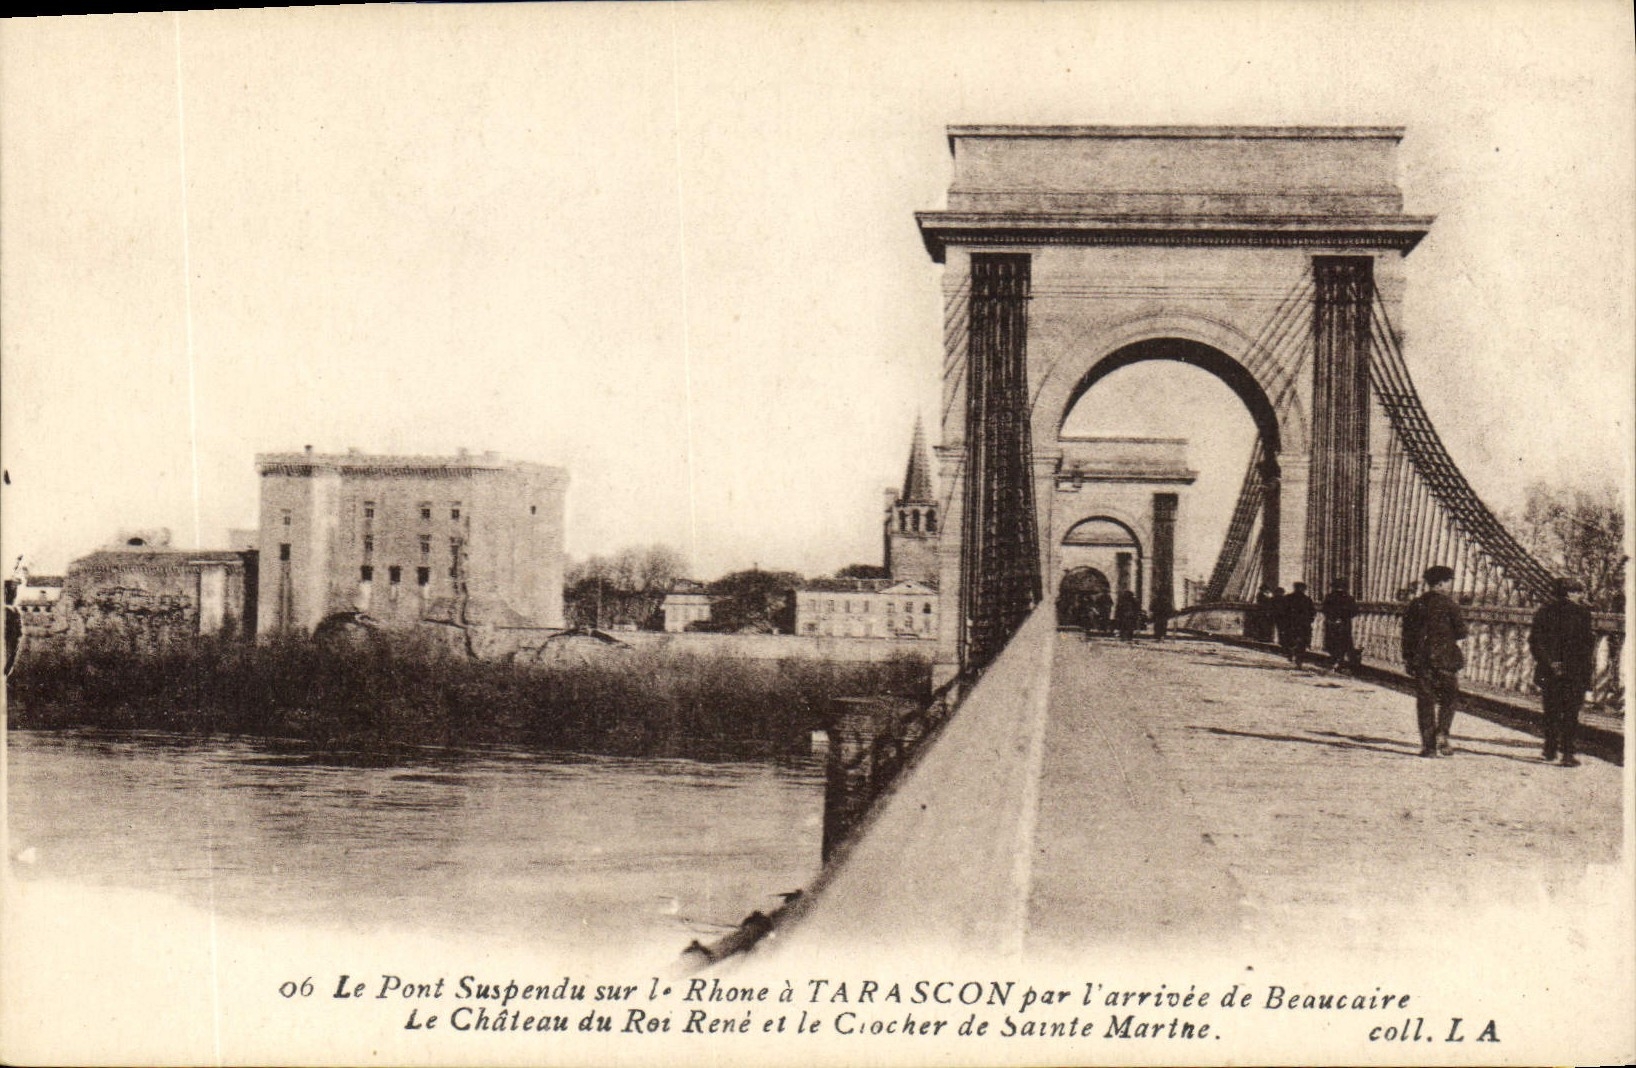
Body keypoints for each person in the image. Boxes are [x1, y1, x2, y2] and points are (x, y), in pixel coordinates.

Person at [1529, 577, 1595, 767]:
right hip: (1574, 670)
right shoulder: (1583, 613)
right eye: (1578, 592)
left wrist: (1549, 663)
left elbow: (1535, 642)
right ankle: (1567, 753)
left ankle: (1549, 748)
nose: (1581, 596)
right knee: (1571, 712)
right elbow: (1586, 646)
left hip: (1550, 669)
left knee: (1551, 710)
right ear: (1570, 593)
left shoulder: (1543, 611)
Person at [1401, 565, 1467, 758]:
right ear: (1440, 583)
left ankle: (1429, 748)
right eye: (1448, 582)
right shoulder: (1450, 605)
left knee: (1425, 702)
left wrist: (1408, 659)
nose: (1449, 586)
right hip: (1446, 659)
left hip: (1422, 660)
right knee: (1450, 699)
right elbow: (1462, 632)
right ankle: (1442, 732)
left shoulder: (1416, 604)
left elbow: (1407, 635)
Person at [1321, 578, 1362, 674]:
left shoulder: (1329, 597)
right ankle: (1340, 661)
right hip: (1344, 623)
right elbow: (1355, 611)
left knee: (1333, 642)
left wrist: (1333, 618)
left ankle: (1338, 661)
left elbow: (1325, 609)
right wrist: (1344, 617)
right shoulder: (1349, 598)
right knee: (1344, 643)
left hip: (1332, 623)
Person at [1282, 581, 1317, 667]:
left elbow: (1283, 611)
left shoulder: (1288, 598)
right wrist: (1310, 620)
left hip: (1291, 623)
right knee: (1302, 642)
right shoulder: (1307, 599)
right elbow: (1312, 612)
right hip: (1303, 624)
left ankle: (1292, 655)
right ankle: (1298, 659)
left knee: (1290, 640)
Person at [1269, 586, 1289, 653]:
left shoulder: (1272, 599)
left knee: (1276, 628)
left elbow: (1270, 607)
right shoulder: (1285, 599)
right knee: (1282, 629)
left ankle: (1274, 640)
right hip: (1283, 616)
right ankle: (1281, 642)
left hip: (1275, 616)